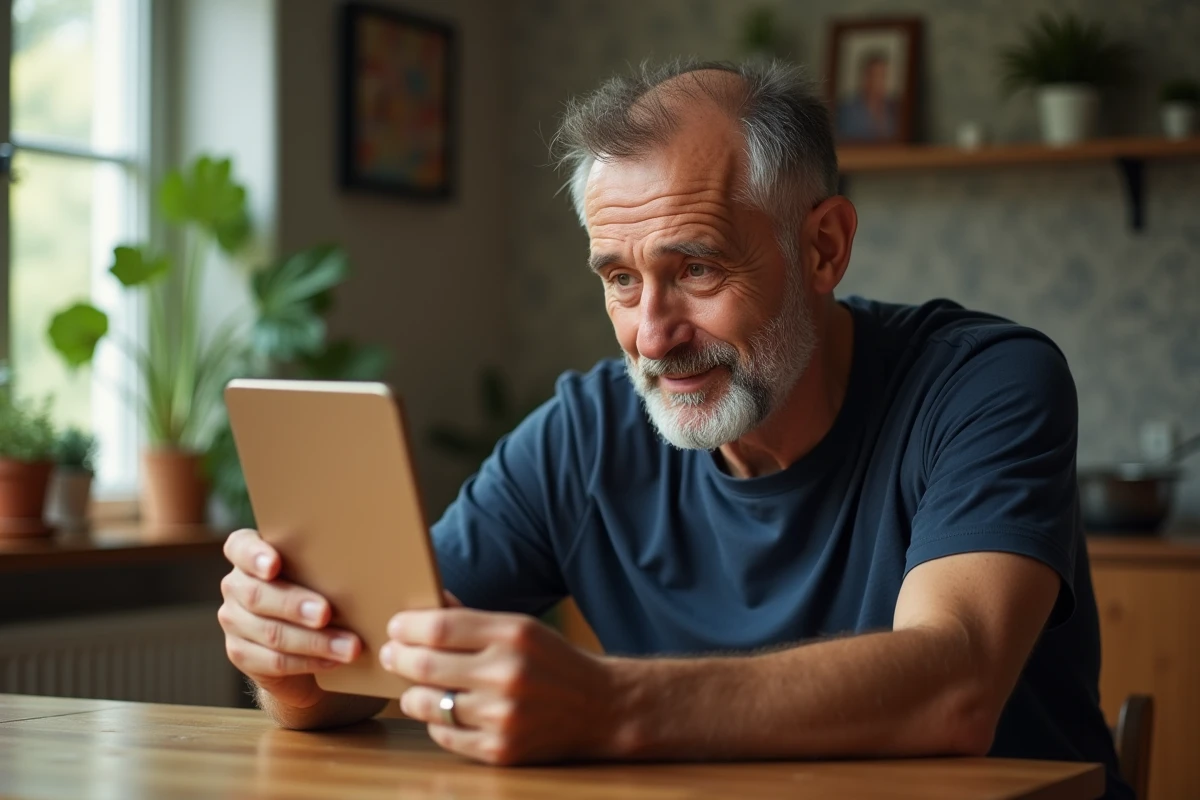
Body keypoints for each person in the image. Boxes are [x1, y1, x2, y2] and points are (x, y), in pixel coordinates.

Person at [217, 60, 1131, 799]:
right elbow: (377, 662)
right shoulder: (584, 435)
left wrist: (609, 705)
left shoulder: (983, 384)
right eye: (620, 279)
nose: (651, 336)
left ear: (823, 247)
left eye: (695, 269)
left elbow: (955, 685)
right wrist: (295, 656)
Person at [836, 49, 898, 141]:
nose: (877, 82)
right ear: (865, 77)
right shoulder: (848, 110)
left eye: (882, 76)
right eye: (874, 75)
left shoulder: (893, 109)